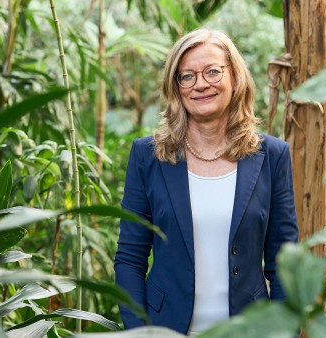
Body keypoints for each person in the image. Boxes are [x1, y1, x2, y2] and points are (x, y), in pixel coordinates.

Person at [114, 28, 299, 336]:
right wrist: (139, 332)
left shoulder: (272, 156)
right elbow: (130, 258)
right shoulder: (148, 156)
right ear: (176, 87)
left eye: (213, 71)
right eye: (187, 76)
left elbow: (284, 263)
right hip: (166, 330)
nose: (200, 84)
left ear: (235, 78)